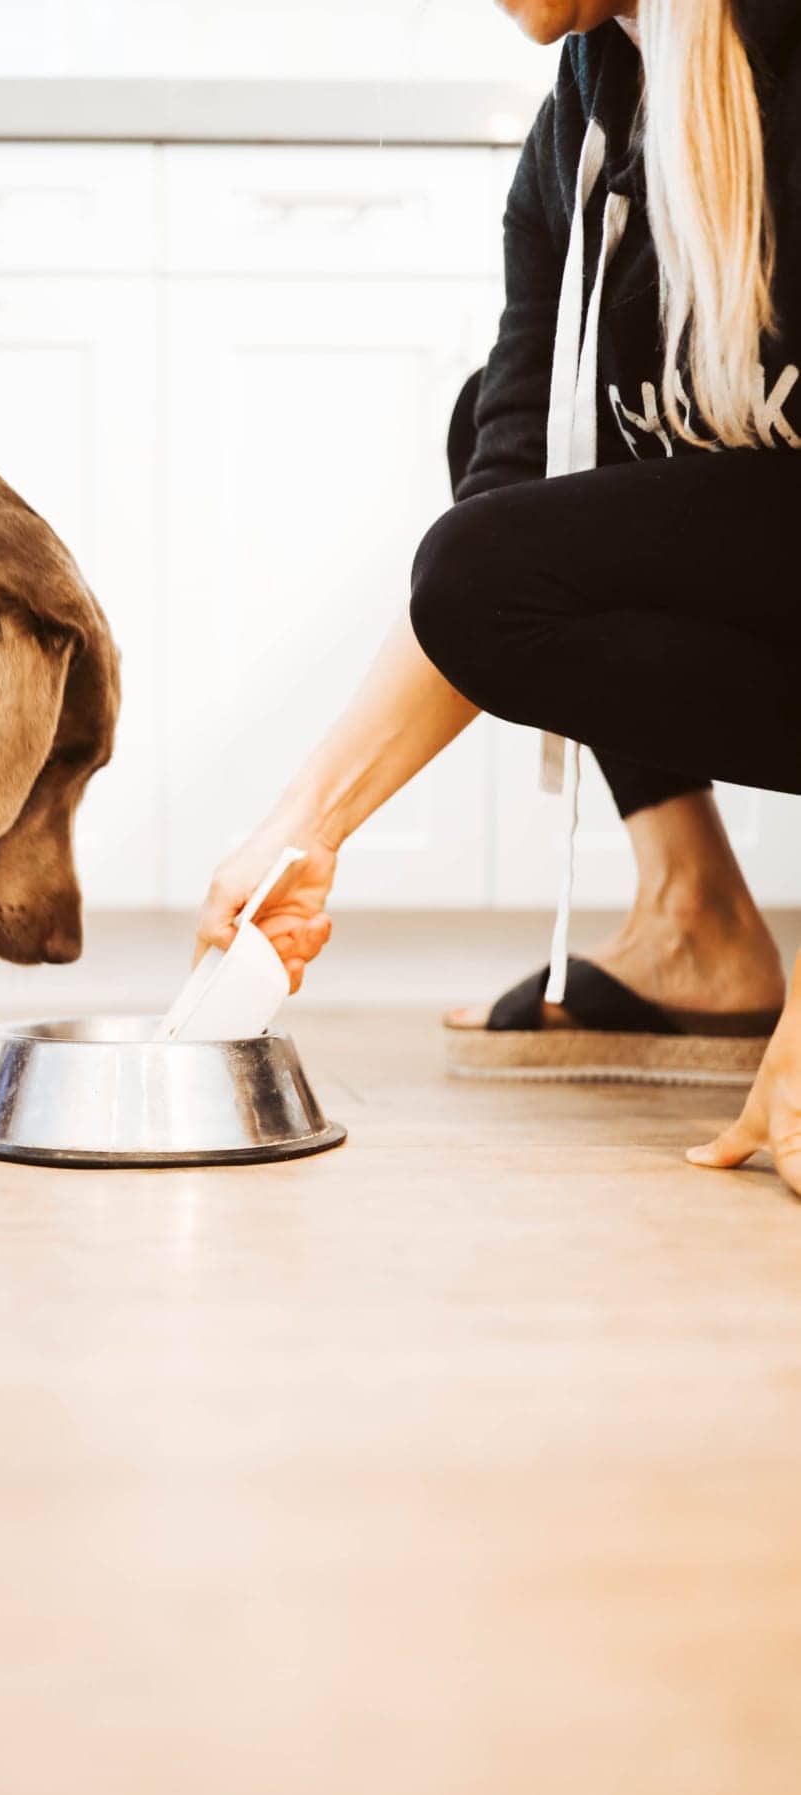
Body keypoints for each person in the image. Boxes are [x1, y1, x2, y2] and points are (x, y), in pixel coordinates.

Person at [194, 0, 801, 1194]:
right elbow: (500, 517)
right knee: (493, 455)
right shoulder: (583, 113)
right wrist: (303, 826)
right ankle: (696, 920)